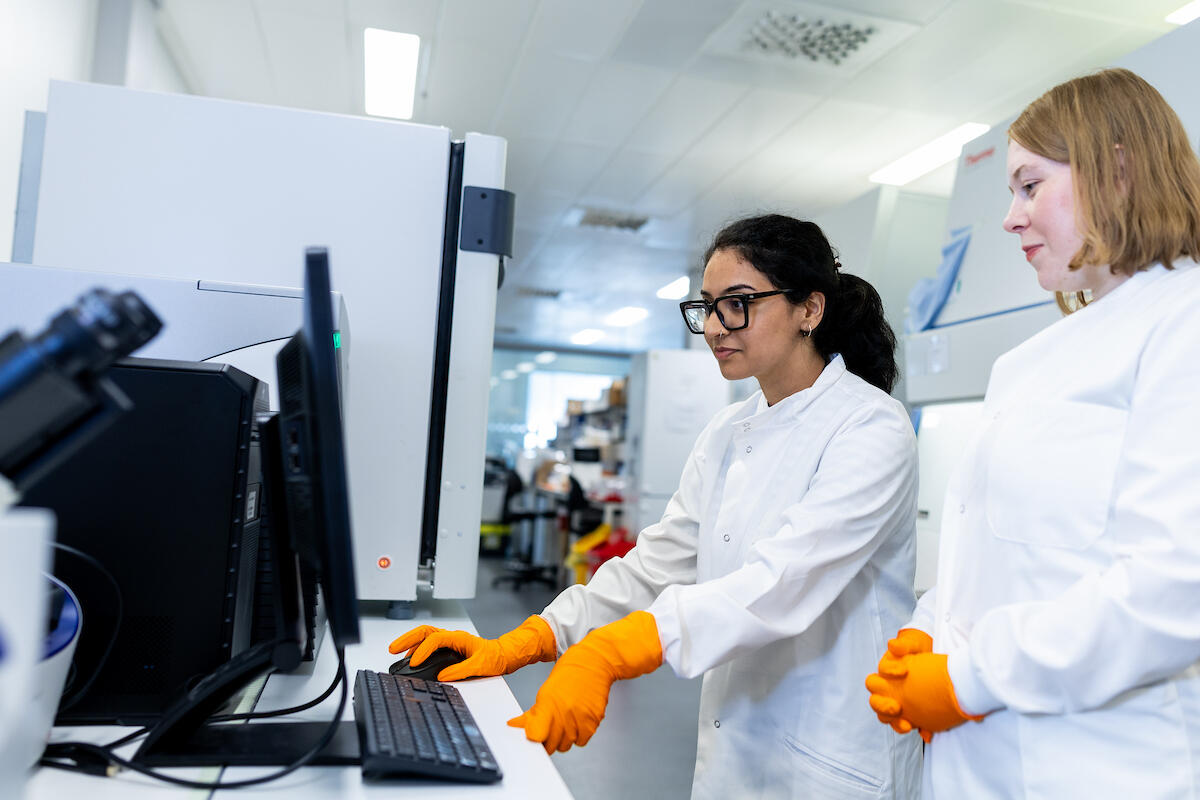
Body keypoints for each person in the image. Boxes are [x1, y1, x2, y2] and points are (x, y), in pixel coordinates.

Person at [393, 214, 922, 798]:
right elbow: (656, 568)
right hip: (738, 746)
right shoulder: (729, 429)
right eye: (708, 306)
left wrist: (614, 651)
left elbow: (782, 583)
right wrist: (532, 639)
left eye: (739, 304)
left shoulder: (870, 426)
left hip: (832, 753)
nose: (717, 326)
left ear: (809, 310)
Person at [865, 68, 1200, 798]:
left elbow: (1176, 585)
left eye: (1028, 185)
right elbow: (997, 551)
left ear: (1116, 169)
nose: (1011, 218)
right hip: (976, 762)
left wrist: (968, 676)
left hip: (1104, 766)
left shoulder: (1186, 322)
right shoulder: (1030, 362)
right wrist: (932, 628)